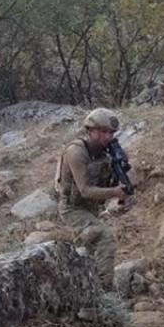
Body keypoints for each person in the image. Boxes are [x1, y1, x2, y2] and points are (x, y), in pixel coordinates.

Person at [53, 107, 133, 289]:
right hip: (72, 208)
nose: (108, 137)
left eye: (111, 133)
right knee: (105, 238)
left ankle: (83, 287)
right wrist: (115, 192)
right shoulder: (76, 152)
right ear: (90, 130)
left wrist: (120, 169)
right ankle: (105, 291)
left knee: (87, 250)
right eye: (103, 132)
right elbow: (85, 190)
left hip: (91, 208)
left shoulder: (107, 150)